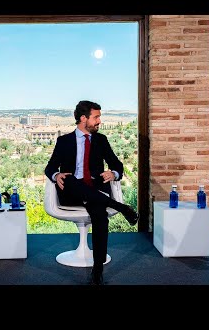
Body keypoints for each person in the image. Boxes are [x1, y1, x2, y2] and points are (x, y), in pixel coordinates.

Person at [45, 100, 139, 285]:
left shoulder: (101, 140)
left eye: (99, 117)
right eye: (96, 117)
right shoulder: (64, 141)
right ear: (83, 118)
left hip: (95, 190)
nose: (99, 121)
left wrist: (114, 173)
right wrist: (56, 176)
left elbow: (117, 165)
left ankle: (97, 271)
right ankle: (121, 207)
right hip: (71, 191)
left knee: (100, 216)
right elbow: (50, 167)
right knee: (71, 179)